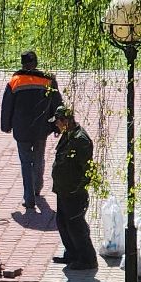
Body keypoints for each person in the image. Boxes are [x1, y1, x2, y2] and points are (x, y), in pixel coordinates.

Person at [0, 50, 62, 209]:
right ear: (36, 63)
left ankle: (29, 199)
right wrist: (58, 125)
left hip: (22, 130)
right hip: (41, 128)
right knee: (39, 158)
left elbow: (7, 106)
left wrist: (6, 126)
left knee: (25, 162)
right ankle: (37, 188)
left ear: (22, 64)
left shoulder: (15, 81)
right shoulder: (48, 80)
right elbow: (57, 103)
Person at [51, 107, 98, 269]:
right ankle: (72, 254)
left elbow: (88, 168)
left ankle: (87, 259)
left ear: (66, 121)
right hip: (63, 190)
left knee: (76, 225)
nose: (56, 125)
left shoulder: (80, 140)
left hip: (73, 191)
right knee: (62, 222)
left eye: (58, 122)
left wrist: (79, 188)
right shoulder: (68, 135)